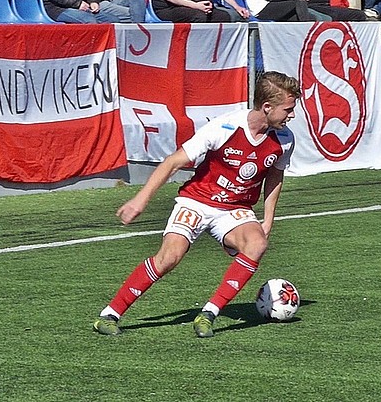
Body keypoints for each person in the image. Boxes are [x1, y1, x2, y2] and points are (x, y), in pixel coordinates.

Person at [93, 71, 300, 338]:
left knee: (257, 243)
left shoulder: (284, 139)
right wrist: (140, 200)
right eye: (288, 109)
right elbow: (173, 162)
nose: (292, 115)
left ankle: (209, 314)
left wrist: (268, 219)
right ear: (267, 107)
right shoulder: (224, 128)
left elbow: (275, 175)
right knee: (169, 258)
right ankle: (109, 315)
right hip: (197, 201)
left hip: (235, 209)